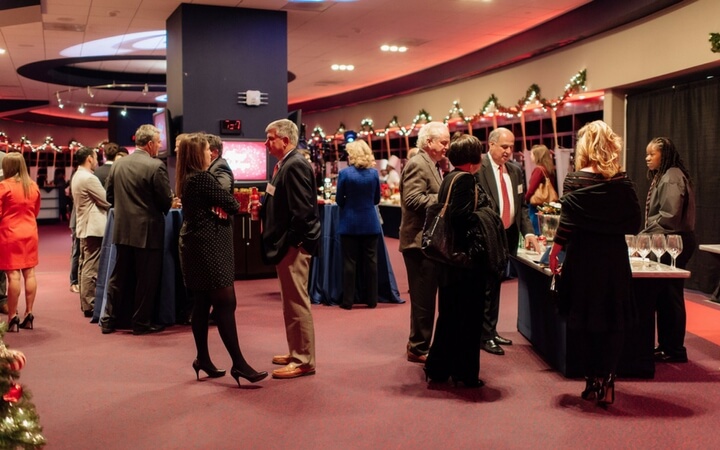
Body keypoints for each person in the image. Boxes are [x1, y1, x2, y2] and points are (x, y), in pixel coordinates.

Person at [549, 120, 642, 406]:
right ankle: (609, 378)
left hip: (582, 258)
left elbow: (566, 225)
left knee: (585, 318)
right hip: (613, 259)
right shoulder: (622, 182)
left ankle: (591, 381)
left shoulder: (575, 180)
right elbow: (636, 224)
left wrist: (554, 253)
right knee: (614, 319)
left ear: (584, 148)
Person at [176, 133, 267, 386]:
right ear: (198, 154)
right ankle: (238, 364)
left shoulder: (187, 178)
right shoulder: (203, 178)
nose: (211, 154)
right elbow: (231, 203)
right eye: (206, 150)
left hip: (198, 245)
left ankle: (203, 359)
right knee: (225, 302)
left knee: (203, 304)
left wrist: (219, 205)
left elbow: (223, 203)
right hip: (208, 247)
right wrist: (221, 205)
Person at [423, 134, 491, 388]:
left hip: (450, 262)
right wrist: (484, 219)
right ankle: (464, 373)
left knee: (450, 315)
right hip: (464, 262)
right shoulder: (464, 180)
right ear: (474, 158)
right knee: (468, 318)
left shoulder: (450, 178)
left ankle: (440, 367)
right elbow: (461, 217)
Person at [260, 119, 321, 379]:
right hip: (288, 244)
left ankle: (303, 359)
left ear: (285, 140)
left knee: (297, 303)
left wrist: (291, 243)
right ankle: (296, 349)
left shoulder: (294, 164)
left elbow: (303, 213)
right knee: (290, 302)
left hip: (294, 245)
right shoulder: (286, 163)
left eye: (270, 137)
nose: (266, 143)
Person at [100, 124, 174, 335]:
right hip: (148, 232)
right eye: (158, 142)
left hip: (122, 230)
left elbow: (110, 197)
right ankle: (141, 322)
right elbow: (164, 202)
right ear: (150, 144)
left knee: (118, 276)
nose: (159, 146)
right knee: (146, 280)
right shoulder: (155, 166)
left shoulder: (118, 165)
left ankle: (109, 320)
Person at [475, 127, 541, 356]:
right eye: (504, 146)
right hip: (487, 238)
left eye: (511, 146)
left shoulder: (515, 170)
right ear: (491, 145)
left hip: (508, 237)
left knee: (497, 284)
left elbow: (522, 207)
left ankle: (491, 331)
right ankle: (483, 335)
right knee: (485, 287)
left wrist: (529, 233)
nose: (508, 151)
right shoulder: (478, 169)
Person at [642, 137, 696, 363]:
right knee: (665, 296)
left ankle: (674, 349)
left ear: (663, 155)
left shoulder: (672, 176)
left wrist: (643, 234)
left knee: (671, 296)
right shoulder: (664, 175)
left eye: (651, 154)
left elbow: (670, 217)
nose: (647, 158)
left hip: (673, 242)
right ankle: (666, 345)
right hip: (666, 240)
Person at [399, 121, 449, 363]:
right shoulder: (418, 163)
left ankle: (418, 344)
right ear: (429, 142)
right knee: (423, 300)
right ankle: (418, 348)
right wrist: (445, 198)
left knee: (426, 298)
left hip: (425, 243)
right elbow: (412, 200)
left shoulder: (432, 164)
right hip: (417, 244)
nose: (447, 147)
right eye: (444, 142)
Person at [335, 139, 382, 310]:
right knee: (371, 263)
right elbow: (377, 199)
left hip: (349, 223)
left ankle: (348, 301)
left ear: (352, 155)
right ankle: (372, 300)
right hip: (370, 222)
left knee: (349, 263)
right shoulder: (374, 174)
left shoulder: (345, 174)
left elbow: (339, 200)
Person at [0, 153, 41, 331]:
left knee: (13, 276)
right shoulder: (33, 186)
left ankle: (12, 317)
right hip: (30, 232)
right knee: (30, 274)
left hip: (10, 233)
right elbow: (36, 211)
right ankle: (29, 313)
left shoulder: (3, 186)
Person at [71, 147, 110, 318]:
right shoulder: (89, 178)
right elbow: (107, 201)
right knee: (91, 267)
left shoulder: (77, 175)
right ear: (89, 158)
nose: (97, 161)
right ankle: (90, 304)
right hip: (93, 227)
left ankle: (85, 302)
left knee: (84, 264)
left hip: (84, 226)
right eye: (95, 158)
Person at [525, 144, 557, 235]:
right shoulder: (550, 169)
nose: (530, 156)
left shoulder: (538, 170)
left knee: (536, 231)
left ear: (537, 155)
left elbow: (531, 190)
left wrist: (525, 200)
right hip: (547, 206)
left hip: (536, 206)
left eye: (531, 154)